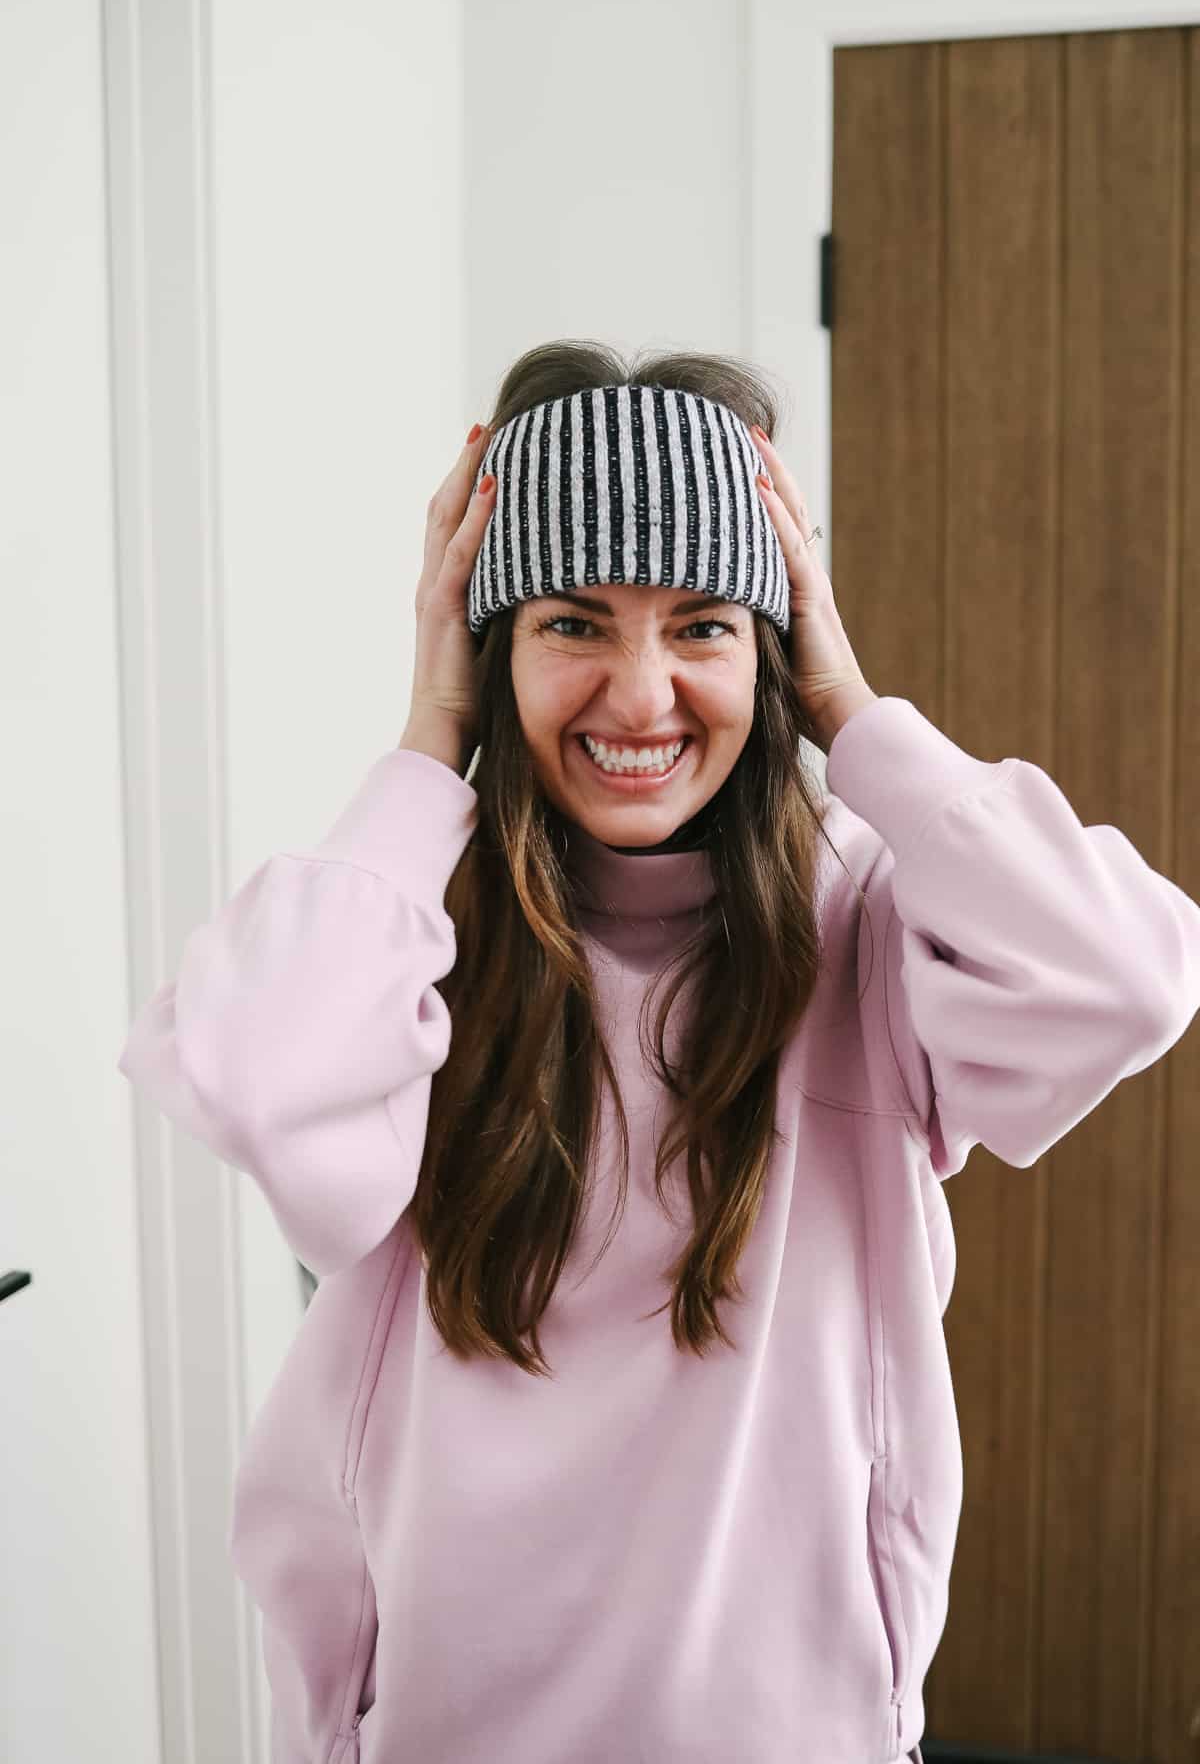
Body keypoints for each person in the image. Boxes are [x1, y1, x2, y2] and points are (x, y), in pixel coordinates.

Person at [117, 344, 1200, 1763]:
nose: (640, 698)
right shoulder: (405, 932)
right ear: (488, 639)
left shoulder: (867, 921)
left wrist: (852, 710)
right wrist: (429, 738)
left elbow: (1125, 978)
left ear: (776, 638)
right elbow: (258, 1073)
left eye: (702, 625)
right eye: (573, 621)